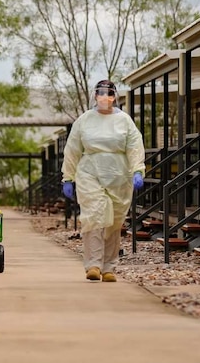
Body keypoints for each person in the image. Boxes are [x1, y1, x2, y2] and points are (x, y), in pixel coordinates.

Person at [61, 79, 145, 282]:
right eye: (101, 94)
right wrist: (68, 177)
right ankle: (93, 265)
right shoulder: (85, 120)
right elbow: (72, 149)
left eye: (109, 94)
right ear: (95, 96)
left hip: (118, 176)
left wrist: (138, 170)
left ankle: (109, 267)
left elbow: (134, 146)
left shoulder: (124, 121)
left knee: (113, 222)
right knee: (95, 217)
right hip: (91, 174)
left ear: (114, 96)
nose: (104, 98)